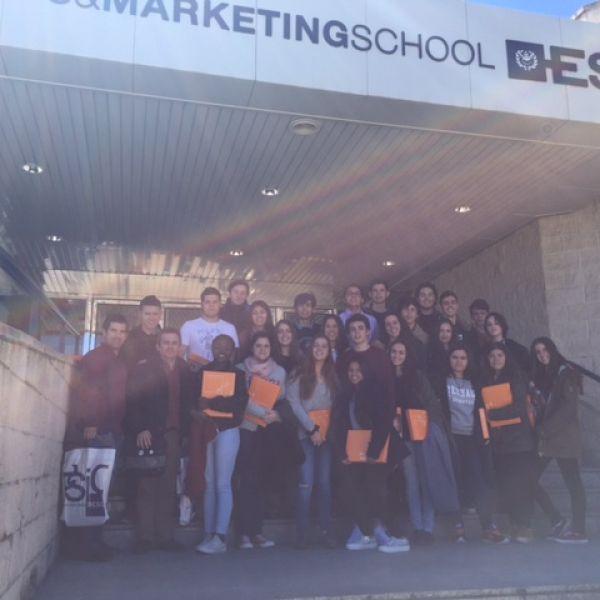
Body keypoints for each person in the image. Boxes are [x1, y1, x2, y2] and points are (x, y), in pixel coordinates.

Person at [64, 313, 128, 561]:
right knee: (93, 490)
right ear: (104, 332)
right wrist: (90, 422)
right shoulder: (95, 358)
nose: (118, 335)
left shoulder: (116, 359)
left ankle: (96, 543)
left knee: (100, 491)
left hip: (112, 429)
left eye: (122, 331)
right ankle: (87, 546)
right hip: (98, 431)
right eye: (114, 330)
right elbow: (87, 391)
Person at [126, 328, 196, 554]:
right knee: (147, 487)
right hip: (150, 433)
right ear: (158, 346)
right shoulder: (145, 368)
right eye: (165, 342)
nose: (170, 346)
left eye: (174, 343)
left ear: (180, 347)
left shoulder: (185, 370)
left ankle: (165, 537)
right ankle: (145, 538)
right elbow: (133, 399)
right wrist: (140, 428)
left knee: (168, 487)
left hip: (173, 434)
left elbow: (189, 402)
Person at [333, 358, 409, 553]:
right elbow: (341, 425)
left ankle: (394, 535)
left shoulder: (375, 391)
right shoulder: (346, 394)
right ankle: (366, 532)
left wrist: (374, 452)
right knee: (354, 490)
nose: (354, 373)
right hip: (359, 453)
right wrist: (343, 453)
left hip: (381, 449)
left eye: (358, 370)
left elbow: (383, 422)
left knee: (375, 490)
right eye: (351, 370)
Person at [389, 340, 460, 545]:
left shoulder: (418, 377)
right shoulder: (386, 378)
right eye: (394, 352)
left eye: (401, 352)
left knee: (427, 480)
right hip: (402, 437)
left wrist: (429, 426)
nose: (397, 355)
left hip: (422, 434)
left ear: (407, 355)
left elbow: (431, 404)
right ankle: (417, 527)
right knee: (411, 482)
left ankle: (428, 528)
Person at [436, 342, 508, 543]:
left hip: (472, 437)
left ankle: (488, 526)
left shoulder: (476, 382)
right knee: (453, 480)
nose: (458, 362)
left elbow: (484, 409)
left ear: (468, 360)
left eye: (463, 358)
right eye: (454, 357)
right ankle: (457, 524)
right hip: (451, 437)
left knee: (478, 480)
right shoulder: (441, 382)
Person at [194, 335, 249, 554]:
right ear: (212, 348)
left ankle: (220, 536)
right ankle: (209, 533)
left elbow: (238, 407)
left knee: (223, 483)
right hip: (206, 430)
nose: (222, 351)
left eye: (226, 347)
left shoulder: (239, 374)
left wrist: (212, 402)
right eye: (218, 346)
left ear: (233, 350)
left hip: (228, 431)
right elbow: (196, 402)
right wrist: (203, 408)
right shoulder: (202, 372)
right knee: (208, 483)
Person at [531, 337, 588, 543]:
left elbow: (568, 409)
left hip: (563, 438)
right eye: (538, 352)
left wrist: (544, 429)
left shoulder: (566, 373)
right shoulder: (543, 375)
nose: (542, 355)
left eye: (545, 350)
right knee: (527, 478)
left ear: (553, 350)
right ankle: (557, 520)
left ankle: (579, 530)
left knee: (573, 483)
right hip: (548, 441)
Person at [480, 343, 537, 543]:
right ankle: (514, 524)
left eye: (500, 355)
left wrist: (492, 414)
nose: (496, 359)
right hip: (500, 442)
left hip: (519, 441)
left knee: (521, 484)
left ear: (507, 357)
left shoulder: (516, 376)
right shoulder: (487, 378)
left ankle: (525, 526)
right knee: (507, 485)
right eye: (492, 355)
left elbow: (518, 408)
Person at [237, 332, 287, 549]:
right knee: (245, 480)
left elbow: (282, 398)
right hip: (247, 428)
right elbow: (242, 399)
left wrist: (276, 414)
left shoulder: (279, 371)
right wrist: (262, 412)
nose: (262, 350)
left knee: (261, 481)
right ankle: (243, 534)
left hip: (268, 430)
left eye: (266, 346)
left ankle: (257, 531)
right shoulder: (241, 369)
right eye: (258, 345)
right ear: (252, 348)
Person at [287, 336, 337, 548]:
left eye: (324, 346)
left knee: (324, 483)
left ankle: (326, 532)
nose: (319, 349)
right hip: (305, 434)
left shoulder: (333, 376)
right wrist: (311, 429)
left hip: (327, 436)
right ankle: (301, 534)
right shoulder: (298, 374)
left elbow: (337, 405)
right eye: (316, 346)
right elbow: (294, 404)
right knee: (305, 483)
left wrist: (325, 431)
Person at [180, 287, 239, 365]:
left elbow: (233, 357)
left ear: (220, 304)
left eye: (215, 302)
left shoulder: (230, 328)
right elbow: (180, 354)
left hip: (221, 372)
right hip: (195, 371)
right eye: (207, 302)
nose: (211, 305)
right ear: (202, 304)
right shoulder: (188, 326)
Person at [120, 295, 162, 373]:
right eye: (147, 314)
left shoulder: (166, 339)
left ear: (160, 315)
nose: (151, 318)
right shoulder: (129, 338)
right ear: (140, 314)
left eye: (155, 314)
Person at [220, 279, 252, 348]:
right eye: (236, 292)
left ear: (246, 295)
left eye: (242, 293)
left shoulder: (251, 313)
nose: (239, 296)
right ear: (230, 293)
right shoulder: (220, 312)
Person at [466, 298, 490, 363]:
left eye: (482, 313)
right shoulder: (468, 336)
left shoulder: (494, 332)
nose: (479, 316)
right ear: (472, 316)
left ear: (487, 315)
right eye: (476, 314)